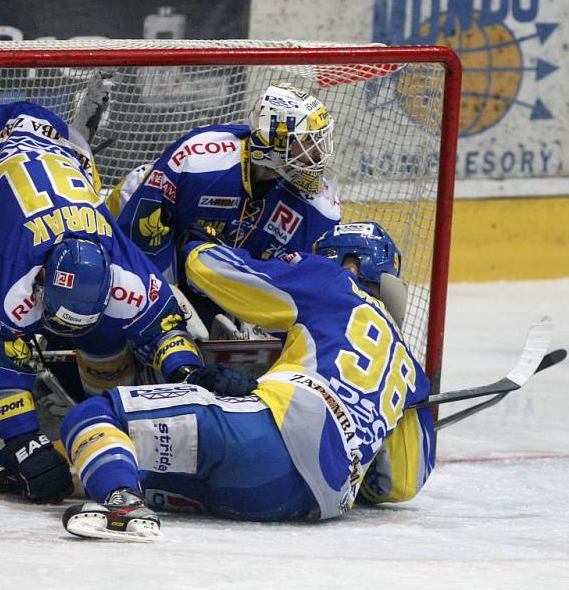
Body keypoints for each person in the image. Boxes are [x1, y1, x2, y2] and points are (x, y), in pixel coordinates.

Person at [0, 101, 234, 505]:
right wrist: (25, 444)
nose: (62, 333)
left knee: (106, 333)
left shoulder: (122, 267)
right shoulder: (16, 273)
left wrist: (189, 373)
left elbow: (162, 327)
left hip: (66, 149)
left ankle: (99, 412)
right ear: (41, 284)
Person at [59, 222, 435, 540]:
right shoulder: (412, 371)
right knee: (142, 462)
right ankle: (112, 484)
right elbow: (400, 483)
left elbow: (218, 273)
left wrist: (197, 245)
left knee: (93, 416)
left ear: (349, 264)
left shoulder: (332, 281)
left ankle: (120, 501)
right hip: (310, 502)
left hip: (270, 436)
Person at [105, 83, 341, 302]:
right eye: (309, 141)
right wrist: (162, 300)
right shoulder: (197, 162)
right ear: (274, 142)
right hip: (164, 259)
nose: (319, 153)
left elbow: (313, 283)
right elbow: (142, 234)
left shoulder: (318, 206)